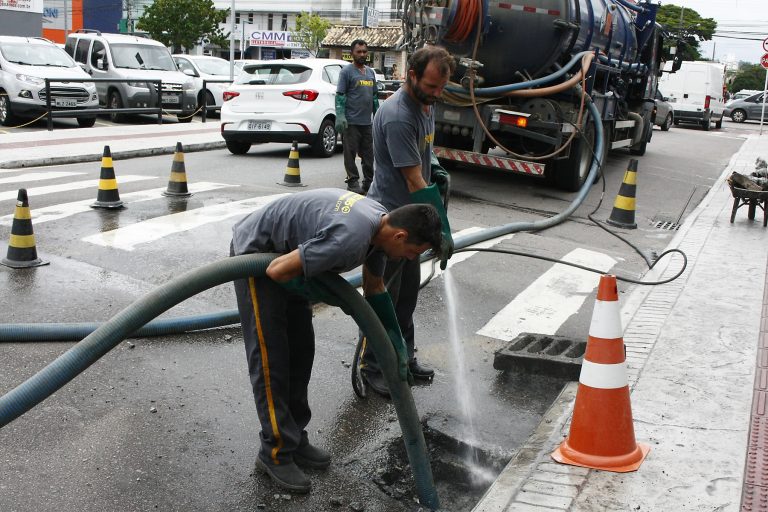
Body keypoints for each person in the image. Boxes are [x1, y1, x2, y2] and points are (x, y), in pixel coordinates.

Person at [231, 188, 443, 493]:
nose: (410, 259)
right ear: (400, 236)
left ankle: (294, 437)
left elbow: (373, 287)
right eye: (413, 252)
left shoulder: (380, 227)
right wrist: (339, 298)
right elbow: (276, 271)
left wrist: (395, 344)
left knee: (302, 351)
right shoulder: (349, 241)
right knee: (272, 359)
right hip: (258, 256)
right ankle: (274, 452)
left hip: (289, 255)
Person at [360, 46, 456, 398]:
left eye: (440, 88)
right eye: (430, 86)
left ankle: (404, 358)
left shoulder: (424, 105)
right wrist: (442, 231)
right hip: (389, 225)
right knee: (383, 296)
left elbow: (424, 156)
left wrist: (438, 167)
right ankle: (373, 367)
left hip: (411, 222)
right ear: (411, 75)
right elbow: (415, 182)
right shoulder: (399, 114)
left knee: (406, 299)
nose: (435, 94)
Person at [336, 39, 379, 195]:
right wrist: (340, 116)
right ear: (352, 53)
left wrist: (378, 115)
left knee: (369, 155)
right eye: (359, 52)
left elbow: (374, 96)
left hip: (367, 123)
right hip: (351, 122)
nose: (362, 54)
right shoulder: (346, 72)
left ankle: (368, 182)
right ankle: (352, 181)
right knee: (350, 153)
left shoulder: (370, 72)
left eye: (364, 52)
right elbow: (340, 95)